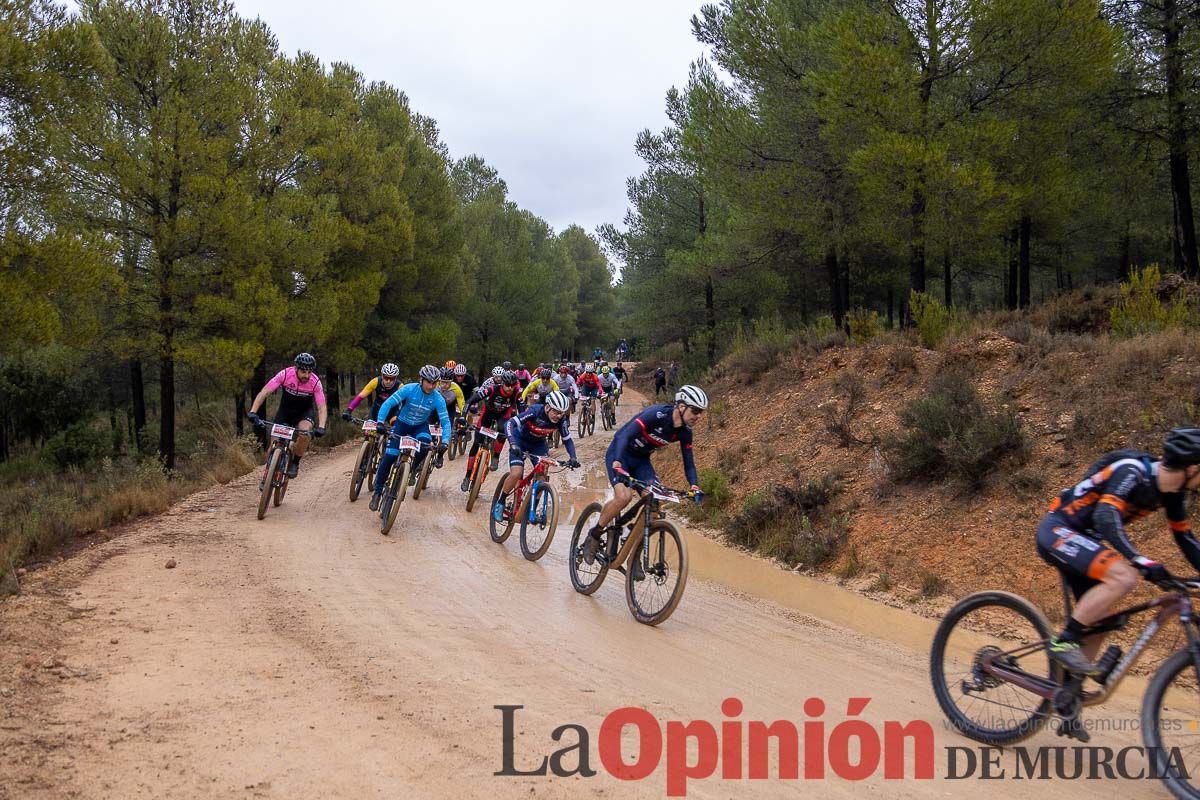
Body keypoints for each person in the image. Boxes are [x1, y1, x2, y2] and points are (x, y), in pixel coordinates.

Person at [1037, 428, 1200, 675]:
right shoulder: (1133, 471)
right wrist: (1139, 559)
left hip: (1086, 542)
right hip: (1059, 530)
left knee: (1100, 623)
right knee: (1125, 576)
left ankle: (1067, 696)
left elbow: (1185, 538)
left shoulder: (1172, 495)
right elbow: (1105, 516)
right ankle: (1063, 641)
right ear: (1192, 468)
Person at [580, 386, 707, 575]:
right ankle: (595, 535)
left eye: (700, 412)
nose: (698, 416)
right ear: (681, 406)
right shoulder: (656, 415)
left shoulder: (685, 432)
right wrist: (617, 463)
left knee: (655, 503)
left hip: (641, 461)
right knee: (624, 497)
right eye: (695, 411)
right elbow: (624, 435)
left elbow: (689, 463)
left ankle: (632, 549)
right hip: (620, 453)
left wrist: (694, 485)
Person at [368, 365, 451, 511]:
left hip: (420, 426)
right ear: (421, 380)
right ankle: (377, 492)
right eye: (428, 382)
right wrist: (380, 421)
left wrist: (445, 441)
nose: (431, 386)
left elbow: (445, 422)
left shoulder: (438, 398)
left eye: (434, 383)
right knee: (389, 457)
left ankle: (412, 469)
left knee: (426, 443)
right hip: (401, 424)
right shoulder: (410, 389)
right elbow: (388, 403)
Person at [493, 391, 580, 522]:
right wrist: (513, 444)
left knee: (542, 478)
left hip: (538, 444)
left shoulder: (560, 420)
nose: (558, 415)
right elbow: (509, 424)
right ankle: (500, 502)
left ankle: (530, 511)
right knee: (517, 473)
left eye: (562, 412)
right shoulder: (534, 411)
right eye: (556, 411)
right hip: (519, 441)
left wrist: (573, 457)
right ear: (548, 407)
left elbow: (567, 440)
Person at [247, 353, 328, 478]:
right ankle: (268, 473)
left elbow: (321, 407)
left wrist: (321, 426)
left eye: (309, 372)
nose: (306, 375)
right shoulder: (285, 374)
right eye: (303, 371)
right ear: (296, 368)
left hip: (304, 413)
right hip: (285, 412)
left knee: (305, 434)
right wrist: (253, 412)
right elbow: (264, 392)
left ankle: (295, 462)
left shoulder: (315, 382)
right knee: (273, 444)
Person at [460, 370, 522, 491]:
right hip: (487, 414)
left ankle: (496, 457)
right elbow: (471, 400)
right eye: (507, 385)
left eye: (512, 385)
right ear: (502, 383)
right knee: (476, 444)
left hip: (503, 415)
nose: (509, 388)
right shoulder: (492, 389)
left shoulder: (516, 393)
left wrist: (521, 425)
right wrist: (463, 415)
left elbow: (523, 411)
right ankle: (467, 476)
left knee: (503, 429)